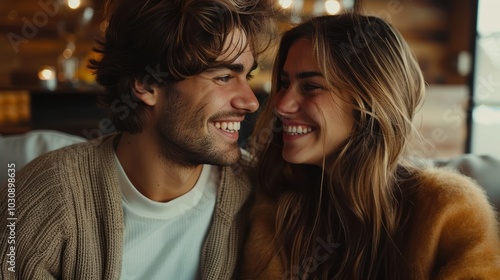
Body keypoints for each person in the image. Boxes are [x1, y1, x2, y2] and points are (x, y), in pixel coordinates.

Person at [0, 0, 275, 279]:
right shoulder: (47, 196)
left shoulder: (261, 195)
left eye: (247, 76)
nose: (251, 102)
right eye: (224, 76)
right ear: (146, 84)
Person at [240, 14, 500, 279]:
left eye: (310, 86)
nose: (281, 105)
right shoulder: (273, 210)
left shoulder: (450, 210)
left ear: (369, 103)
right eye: (284, 84)